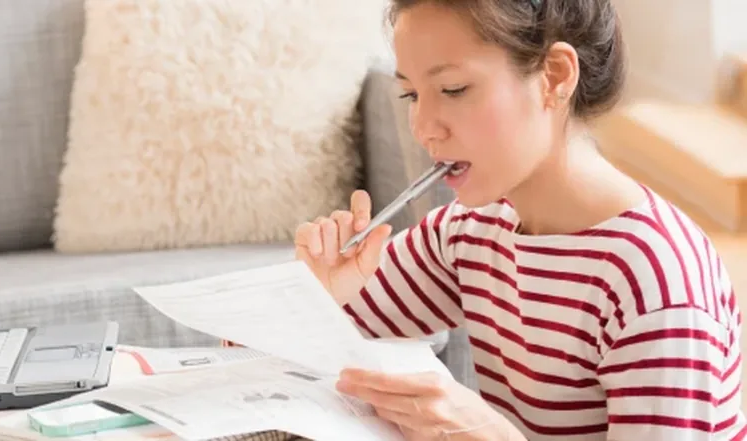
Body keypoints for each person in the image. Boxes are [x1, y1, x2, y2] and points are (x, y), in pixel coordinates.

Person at [296, 0, 745, 440]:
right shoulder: (470, 230)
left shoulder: (657, 287)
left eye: (453, 89)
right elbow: (298, 350)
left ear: (555, 76)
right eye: (412, 94)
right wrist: (326, 297)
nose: (424, 126)